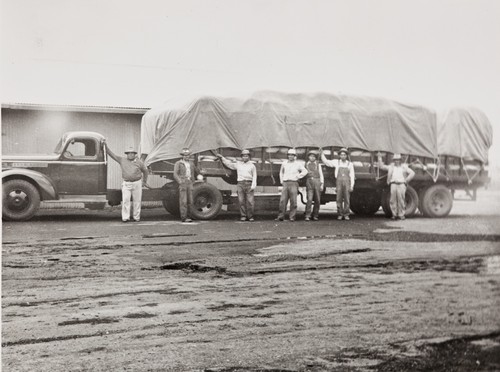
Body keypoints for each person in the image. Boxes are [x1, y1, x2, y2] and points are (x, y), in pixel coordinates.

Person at [104, 141, 149, 222]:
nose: (130, 155)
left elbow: (145, 171)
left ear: (135, 154)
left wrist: (144, 182)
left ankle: (136, 217)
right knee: (125, 201)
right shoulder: (122, 160)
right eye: (128, 153)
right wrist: (105, 147)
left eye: (132, 153)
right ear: (126, 154)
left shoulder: (139, 162)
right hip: (126, 183)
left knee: (137, 201)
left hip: (137, 183)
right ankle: (125, 217)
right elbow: (112, 155)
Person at [216, 149, 257, 222]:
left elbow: (254, 176)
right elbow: (229, 164)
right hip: (240, 184)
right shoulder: (238, 164)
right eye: (243, 156)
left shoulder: (252, 166)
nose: (245, 157)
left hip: (249, 183)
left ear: (249, 157)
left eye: (246, 156)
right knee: (241, 201)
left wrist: (253, 186)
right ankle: (243, 216)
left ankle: (250, 216)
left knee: (250, 201)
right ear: (242, 157)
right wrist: (222, 158)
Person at [377, 153, 415, 220]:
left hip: (401, 184)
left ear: (400, 160)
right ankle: (394, 215)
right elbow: (382, 167)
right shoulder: (391, 167)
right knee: (392, 200)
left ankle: (401, 215)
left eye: (398, 160)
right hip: (393, 184)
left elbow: (412, 173)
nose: (396, 161)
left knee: (401, 200)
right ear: (393, 160)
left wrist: (406, 180)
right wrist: (379, 158)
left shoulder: (404, 167)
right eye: (395, 160)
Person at [320, 147, 355, 220]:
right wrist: (321, 154)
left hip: (347, 182)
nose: (343, 156)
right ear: (339, 155)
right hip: (339, 182)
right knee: (338, 198)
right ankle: (340, 214)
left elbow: (352, 175)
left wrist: (351, 186)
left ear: (347, 156)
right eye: (341, 155)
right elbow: (326, 162)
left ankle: (346, 214)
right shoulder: (336, 162)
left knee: (347, 199)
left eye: (344, 155)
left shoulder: (350, 164)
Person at [276, 148, 308, 222]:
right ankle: (281, 216)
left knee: (293, 201)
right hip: (286, 183)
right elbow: (281, 172)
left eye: (292, 155)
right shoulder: (284, 163)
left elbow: (305, 171)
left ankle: (292, 217)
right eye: (289, 155)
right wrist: (282, 180)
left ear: (295, 156)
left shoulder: (298, 164)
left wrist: (297, 177)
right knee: (283, 200)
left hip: (294, 183)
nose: (290, 156)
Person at [173, 148, 203, 223]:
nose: (187, 157)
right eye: (185, 155)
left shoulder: (191, 163)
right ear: (182, 156)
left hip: (190, 182)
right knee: (183, 201)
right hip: (183, 181)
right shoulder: (178, 163)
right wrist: (180, 181)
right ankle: (184, 217)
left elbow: (197, 171)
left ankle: (189, 216)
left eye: (188, 155)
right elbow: (175, 174)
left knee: (190, 200)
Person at [304, 151, 324, 221]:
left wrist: (322, 184)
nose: (312, 158)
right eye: (310, 156)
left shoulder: (318, 165)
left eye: (313, 156)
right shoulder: (306, 164)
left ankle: (315, 215)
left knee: (317, 199)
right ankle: (307, 215)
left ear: (315, 158)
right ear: (308, 157)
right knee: (309, 199)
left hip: (317, 181)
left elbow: (321, 175)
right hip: (309, 182)